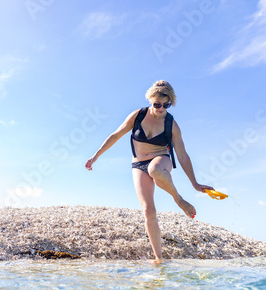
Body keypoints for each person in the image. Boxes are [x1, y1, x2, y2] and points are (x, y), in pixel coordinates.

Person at [85, 80, 213, 262]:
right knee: (148, 211)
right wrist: (96, 156)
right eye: (157, 104)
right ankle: (158, 259)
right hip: (138, 164)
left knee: (154, 169)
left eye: (166, 105)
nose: (161, 108)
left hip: (162, 161)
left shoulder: (171, 125)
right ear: (150, 100)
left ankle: (178, 199)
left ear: (171, 103)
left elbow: (183, 155)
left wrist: (195, 183)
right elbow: (116, 135)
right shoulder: (138, 116)